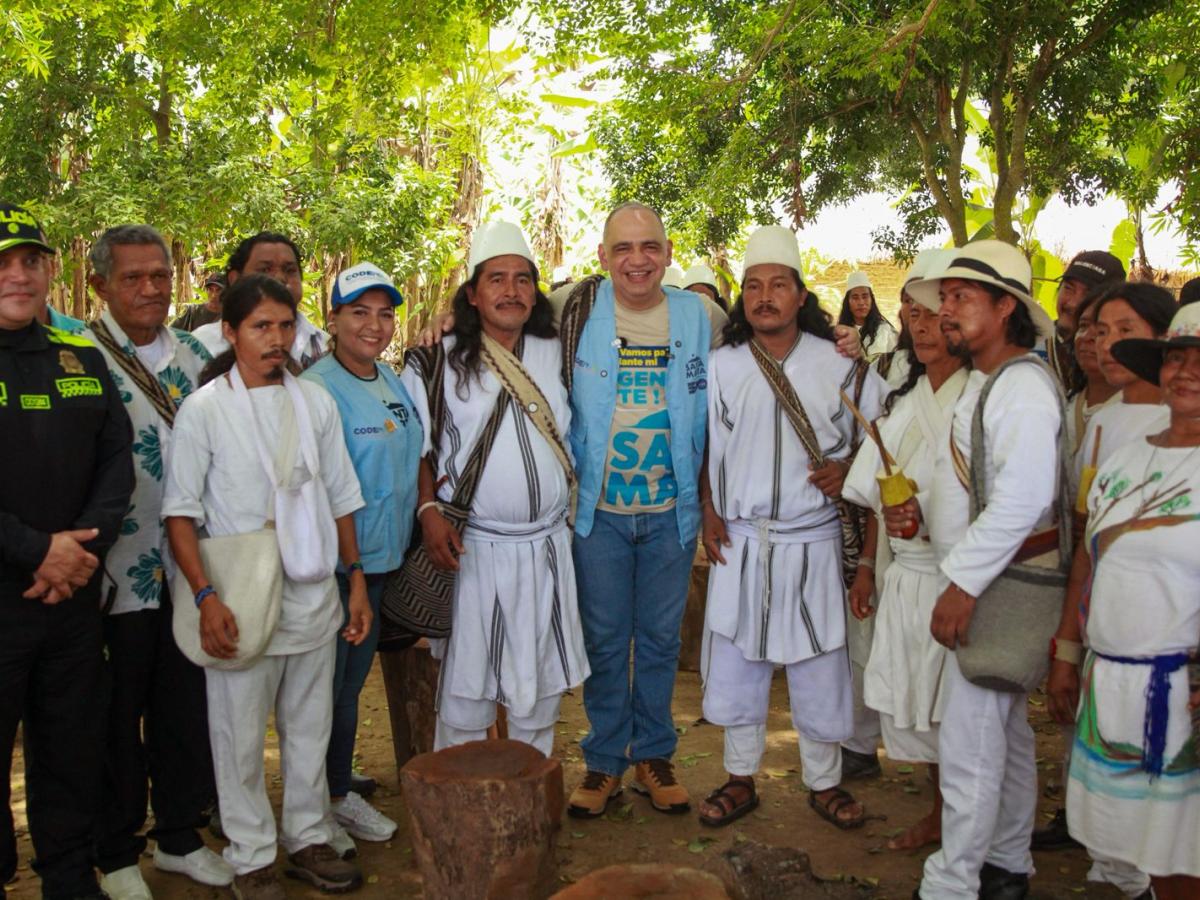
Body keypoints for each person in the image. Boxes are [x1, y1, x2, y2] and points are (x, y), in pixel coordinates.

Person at [163, 274, 369, 899]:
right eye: (260, 327)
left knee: (311, 724)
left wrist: (354, 578)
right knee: (237, 732)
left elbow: (340, 498)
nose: (276, 339)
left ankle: (307, 834)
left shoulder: (315, 403)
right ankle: (251, 853)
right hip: (239, 595)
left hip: (312, 589)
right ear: (230, 331)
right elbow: (179, 513)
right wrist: (204, 596)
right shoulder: (206, 409)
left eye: (285, 326)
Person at [696, 225, 885, 831]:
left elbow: (884, 439)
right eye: (753, 286)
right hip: (744, 539)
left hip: (814, 541)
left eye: (779, 285)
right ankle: (739, 777)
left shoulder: (839, 360)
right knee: (738, 659)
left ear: (801, 295)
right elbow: (707, 445)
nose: (764, 296)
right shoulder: (721, 364)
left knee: (819, 663)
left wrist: (847, 468)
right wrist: (707, 507)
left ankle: (825, 781)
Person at [894, 240, 1062, 900]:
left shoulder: (1019, 387)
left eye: (963, 298)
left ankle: (952, 884)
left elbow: (1023, 499)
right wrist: (929, 520)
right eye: (947, 298)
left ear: (1004, 307)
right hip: (990, 576)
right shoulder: (999, 383)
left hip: (999, 585)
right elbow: (980, 490)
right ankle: (1007, 864)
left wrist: (961, 582)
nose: (948, 311)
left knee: (971, 744)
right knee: (1005, 736)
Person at [563, 202, 726, 819]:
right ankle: (604, 761)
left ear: (666, 251)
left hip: (670, 512)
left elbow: (761, 351)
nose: (637, 260)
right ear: (603, 257)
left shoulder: (698, 314)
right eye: (623, 248)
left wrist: (834, 333)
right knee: (605, 641)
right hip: (598, 513)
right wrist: (447, 315)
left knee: (658, 641)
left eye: (649, 247)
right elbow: (503, 319)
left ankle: (654, 755)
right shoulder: (573, 312)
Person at [80, 225, 228, 899]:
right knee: (114, 713)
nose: (150, 289)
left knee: (184, 704)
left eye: (160, 275)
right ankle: (114, 853)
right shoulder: (76, 357)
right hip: (112, 569)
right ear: (100, 285)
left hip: (189, 566)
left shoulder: (197, 353)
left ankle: (177, 838)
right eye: (133, 278)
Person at [403, 221, 589, 754]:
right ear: (472, 294)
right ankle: (458, 815)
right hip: (473, 549)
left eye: (523, 280)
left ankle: (530, 809)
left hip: (548, 548)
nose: (511, 291)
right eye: (496, 279)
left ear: (537, 290)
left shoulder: (560, 350)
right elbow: (419, 446)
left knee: (540, 691)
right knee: (467, 693)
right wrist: (427, 511)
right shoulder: (436, 358)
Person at [0, 201, 135, 900]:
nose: (18, 275)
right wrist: (34, 551)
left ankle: (67, 874)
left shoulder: (79, 354)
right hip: (6, 596)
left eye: (30, 260)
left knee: (70, 748)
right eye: (4, 263)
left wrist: (80, 551)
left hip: (73, 597)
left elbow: (118, 458)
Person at [1054, 302, 1200, 900]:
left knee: (1187, 847)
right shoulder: (1123, 457)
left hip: (1182, 689)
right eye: (1176, 358)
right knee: (1145, 845)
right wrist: (1068, 650)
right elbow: (1088, 558)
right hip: (1111, 679)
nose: (1185, 372)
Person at [301, 263, 422, 855]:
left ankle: (333, 779)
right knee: (336, 686)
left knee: (346, 683)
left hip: (384, 560)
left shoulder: (388, 379)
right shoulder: (319, 390)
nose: (375, 325)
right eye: (359, 312)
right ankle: (328, 799)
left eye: (384, 313)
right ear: (333, 319)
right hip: (343, 567)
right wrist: (350, 573)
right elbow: (325, 490)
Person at [843, 291, 969, 851]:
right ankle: (943, 815)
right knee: (926, 704)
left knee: (965, 711)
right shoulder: (905, 400)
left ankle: (974, 831)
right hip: (909, 574)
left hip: (965, 581)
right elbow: (881, 498)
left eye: (934, 314)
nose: (921, 327)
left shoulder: (985, 398)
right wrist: (868, 566)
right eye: (912, 314)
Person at [192, 233, 328, 369]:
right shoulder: (199, 346)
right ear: (235, 279)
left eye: (289, 270)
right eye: (265, 269)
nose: (280, 278)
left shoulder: (327, 347)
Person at [1038, 250, 1125, 390]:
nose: (1073, 303)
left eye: (1089, 293)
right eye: (1068, 288)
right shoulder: (1027, 346)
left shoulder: (1120, 365)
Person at [838, 271, 898, 361]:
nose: (861, 302)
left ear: (871, 300)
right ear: (848, 302)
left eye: (865, 296)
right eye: (855, 297)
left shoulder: (885, 330)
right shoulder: (840, 333)